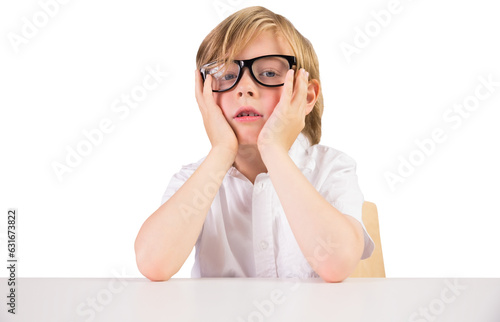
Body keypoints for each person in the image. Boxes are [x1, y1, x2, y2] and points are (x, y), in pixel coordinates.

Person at [134, 6, 374, 282]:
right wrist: (222, 150)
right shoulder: (195, 180)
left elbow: (337, 263)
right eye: (225, 75)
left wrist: (273, 148)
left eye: (269, 73)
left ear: (306, 96)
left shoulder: (332, 167)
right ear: (204, 97)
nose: (243, 88)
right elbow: (153, 263)